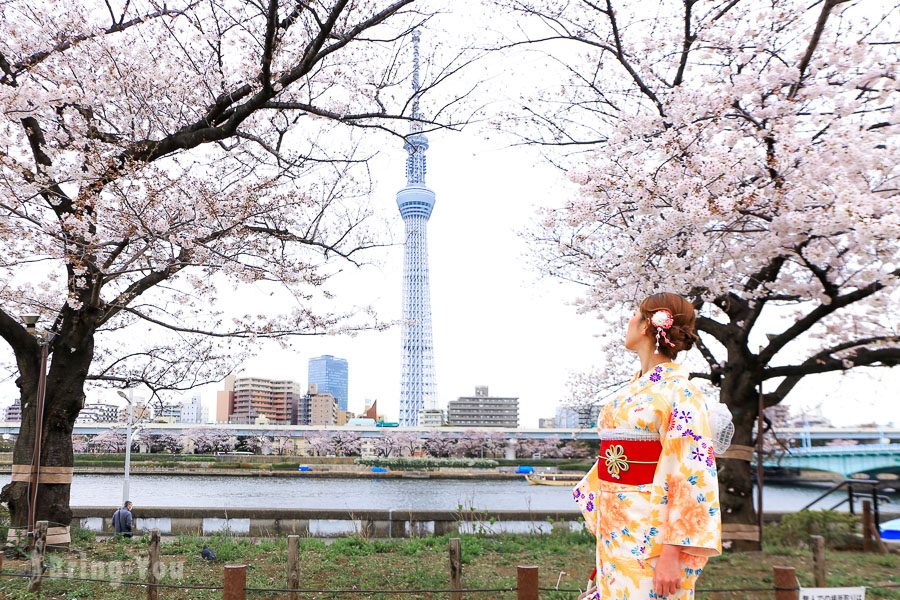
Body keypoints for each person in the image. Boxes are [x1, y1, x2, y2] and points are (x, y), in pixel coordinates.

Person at [574, 292, 721, 599]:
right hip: (618, 526)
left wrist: (670, 553)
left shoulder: (682, 392)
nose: (629, 322)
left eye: (634, 315)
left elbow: (690, 473)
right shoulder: (639, 386)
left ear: (646, 327)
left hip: (652, 535)